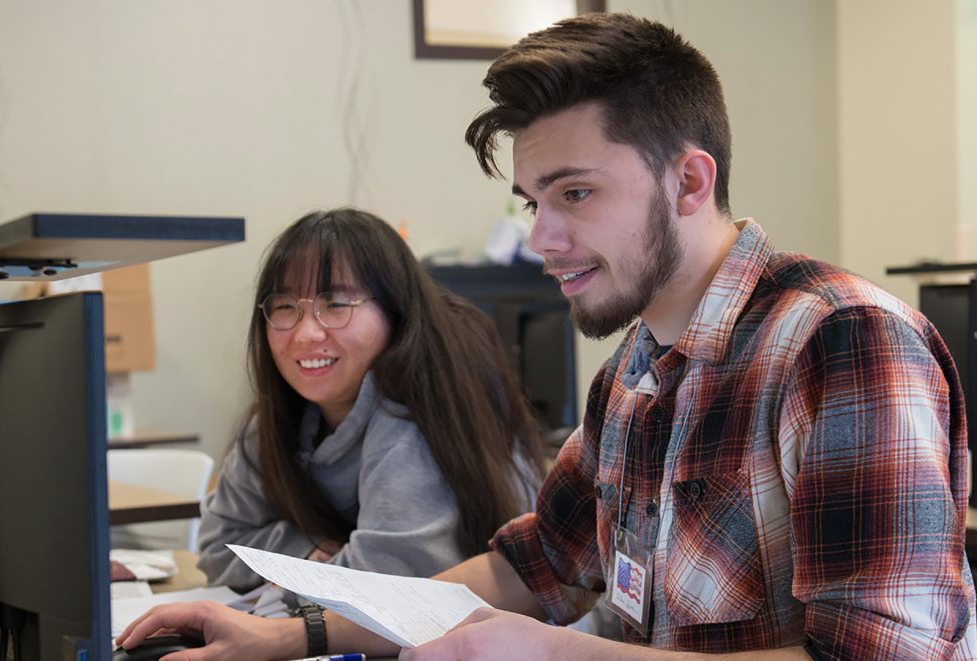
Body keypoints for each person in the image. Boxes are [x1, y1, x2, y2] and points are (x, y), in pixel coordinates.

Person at [116, 13, 977, 659]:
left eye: (573, 194)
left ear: (688, 179)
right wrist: (288, 638)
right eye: (533, 202)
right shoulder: (633, 376)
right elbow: (527, 569)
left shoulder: (841, 342)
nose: (539, 239)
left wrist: (562, 652)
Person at [196, 207, 546, 592]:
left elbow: (384, 582)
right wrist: (309, 550)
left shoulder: (414, 411)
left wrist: (296, 568)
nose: (306, 333)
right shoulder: (276, 421)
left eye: (336, 304)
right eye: (284, 307)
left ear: (395, 312)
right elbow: (217, 549)